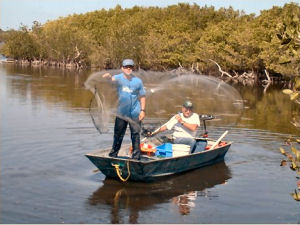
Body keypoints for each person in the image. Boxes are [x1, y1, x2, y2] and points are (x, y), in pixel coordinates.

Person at [102, 59, 146, 160]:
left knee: (135, 135)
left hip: (135, 113)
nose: (128, 69)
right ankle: (113, 155)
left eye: (130, 67)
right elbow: (111, 80)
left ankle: (136, 157)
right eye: (126, 67)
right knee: (118, 134)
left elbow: (142, 96)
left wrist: (142, 110)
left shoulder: (138, 81)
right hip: (121, 113)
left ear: (132, 69)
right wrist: (108, 77)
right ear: (122, 68)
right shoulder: (118, 78)